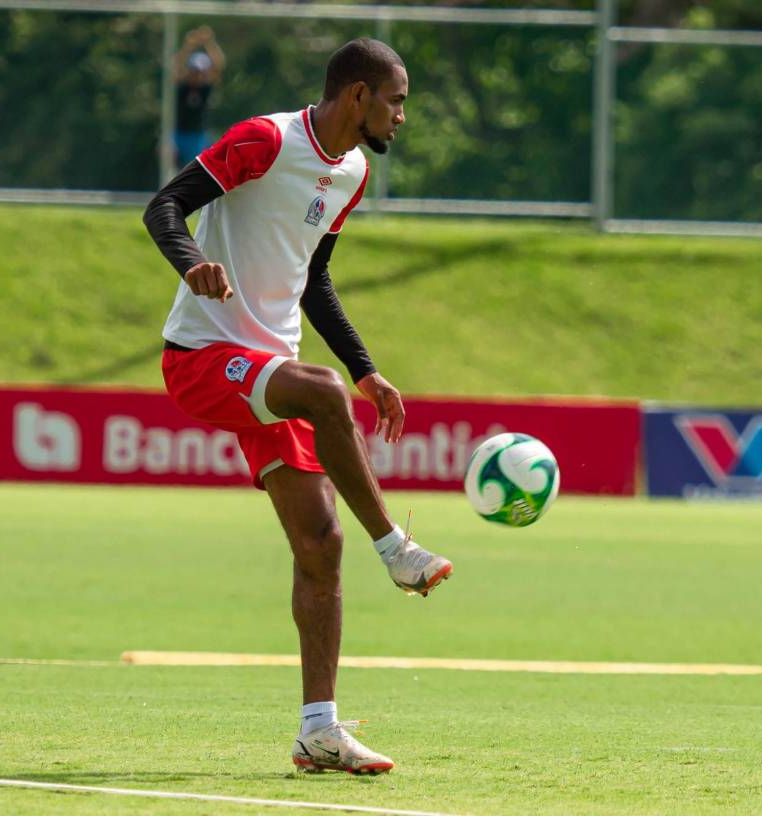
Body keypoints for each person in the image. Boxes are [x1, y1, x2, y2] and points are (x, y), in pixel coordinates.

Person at [144, 38, 452, 776]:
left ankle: (320, 730)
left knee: (320, 544)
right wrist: (194, 264)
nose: (402, 114)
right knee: (321, 393)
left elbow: (314, 282)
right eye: (396, 99)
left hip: (269, 371)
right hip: (203, 360)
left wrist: (368, 371)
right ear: (357, 96)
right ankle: (398, 551)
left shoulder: (352, 171)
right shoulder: (264, 141)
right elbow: (164, 207)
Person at [172, 26, 225, 167]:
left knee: (194, 168)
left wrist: (209, 42)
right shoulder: (182, 87)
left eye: (200, 71)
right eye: (194, 71)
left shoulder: (205, 89)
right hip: (178, 133)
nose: (197, 75)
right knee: (167, 156)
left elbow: (219, 66)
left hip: (198, 135)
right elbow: (176, 64)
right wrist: (189, 45)